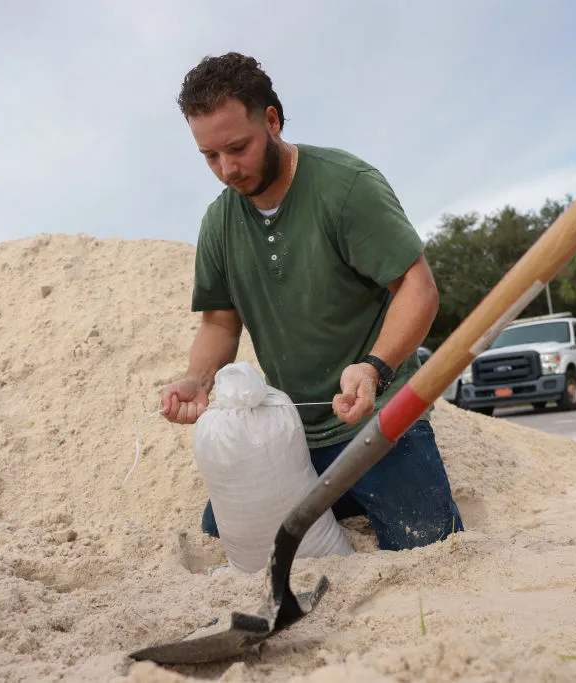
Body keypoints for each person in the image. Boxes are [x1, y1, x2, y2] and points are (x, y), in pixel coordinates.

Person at [159, 52, 463, 551]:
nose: (227, 170)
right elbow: (219, 323)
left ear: (272, 120)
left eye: (238, 148)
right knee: (224, 540)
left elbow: (418, 287)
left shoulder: (345, 186)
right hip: (286, 430)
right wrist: (197, 380)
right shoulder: (218, 223)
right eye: (210, 157)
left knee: (428, 544)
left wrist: (373, 369)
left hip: (376, 420)